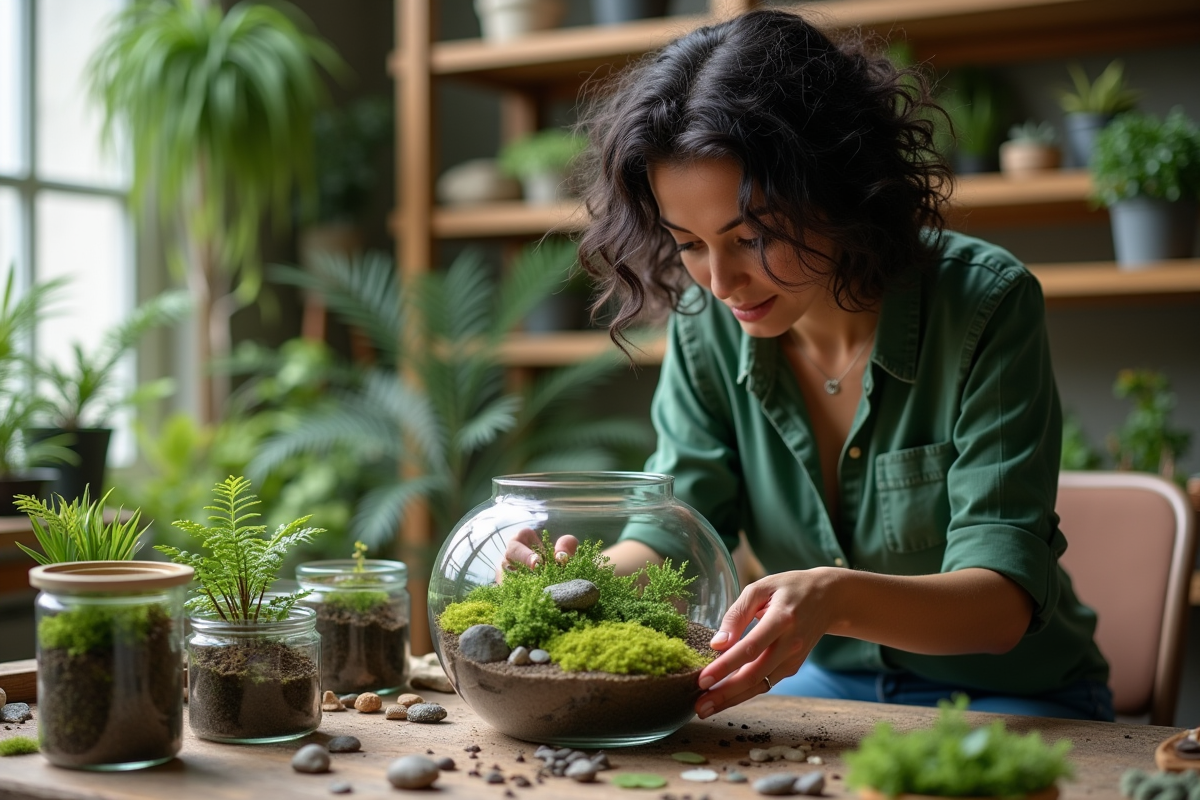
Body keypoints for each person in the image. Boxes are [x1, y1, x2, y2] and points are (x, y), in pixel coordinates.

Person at [503, 8, 1112, 722]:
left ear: (836, 184)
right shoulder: (709, 331)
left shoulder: (984, 304)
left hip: (1013, 695)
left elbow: (1000, 606)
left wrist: (836, 597)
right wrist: (579, 578)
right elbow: (676, 532)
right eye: (690, 244)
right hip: (825, 689)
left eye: (752, 236)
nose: (721, 282)